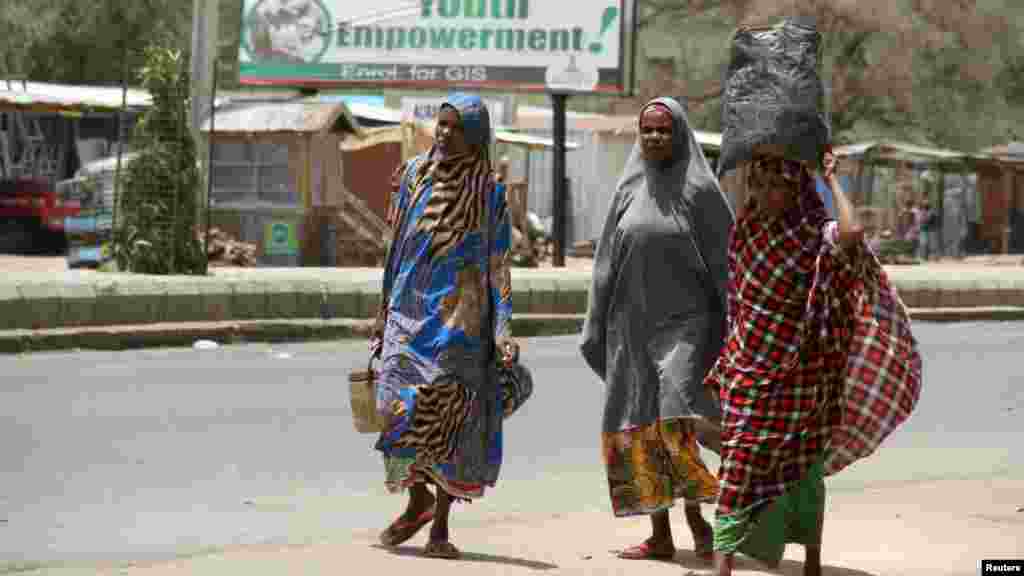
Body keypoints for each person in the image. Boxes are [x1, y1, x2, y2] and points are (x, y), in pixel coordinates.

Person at [705, 146, 922, 576]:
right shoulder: (746, 233)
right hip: (750, 370)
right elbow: (741, 305)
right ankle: (722, 565)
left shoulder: (815, 234)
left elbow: (852, 233)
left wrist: (832, 180)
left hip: (805, 375)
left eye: (778, 186)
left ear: (797, 189)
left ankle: (812, 561)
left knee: (804, 468)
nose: (768, 195)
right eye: (760, 185)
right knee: (738, 462)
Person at [581, 97, 735, 563]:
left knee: (674, 417)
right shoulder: (628, 189)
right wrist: (594, 323)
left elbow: (729, 267)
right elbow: (606, 261)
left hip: (687, 325)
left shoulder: (702, 193)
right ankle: (661, 533)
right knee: (642, 427)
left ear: (680, 135)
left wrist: (738, 328)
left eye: (663, 131)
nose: (654, 138)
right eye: (646, 130)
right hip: (631, 326)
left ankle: (698, 516)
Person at [372, 93, 517, 559]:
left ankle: (439, 527)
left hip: (460, 318)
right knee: (395, 405)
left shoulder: (490, 189)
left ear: (474, 134)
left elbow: (498, 263)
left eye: (455, 127)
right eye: (441, 124)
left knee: (450, 417)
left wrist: (504, 328)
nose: (444, 133)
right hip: (407, 313)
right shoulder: (413, 176)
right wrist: (382, 311)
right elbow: (394, 245)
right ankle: (416, 499)